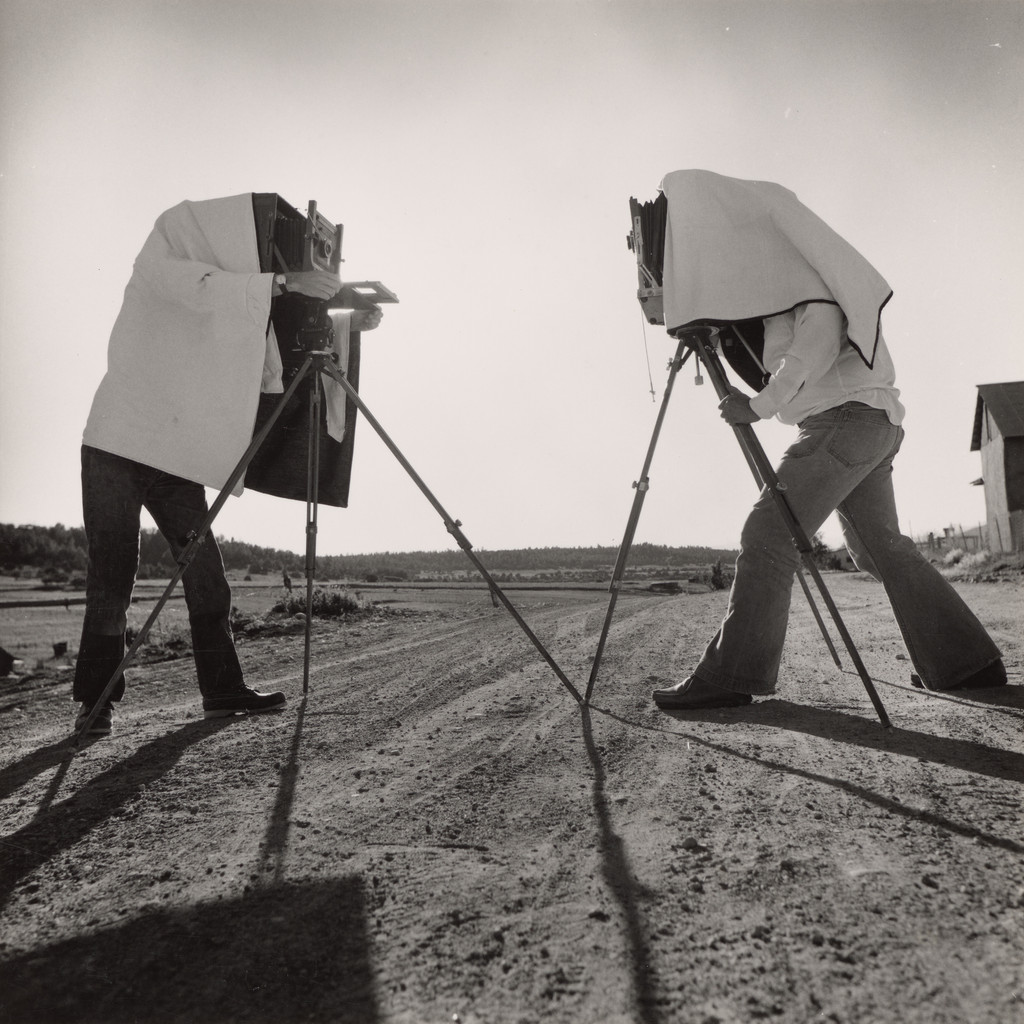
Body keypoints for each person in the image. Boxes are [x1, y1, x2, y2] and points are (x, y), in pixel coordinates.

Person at [647, 170, 1004, 711]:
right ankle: (968, 665)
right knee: (877, 547)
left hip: (846, 423)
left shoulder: (813, 288)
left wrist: (758, 407)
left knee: (768, 532)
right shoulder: (785, 295)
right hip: (862, 426)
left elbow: (808, 356)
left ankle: (733, 674)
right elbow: (776, 360)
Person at [73, 193, 381, 735]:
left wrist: (347, 321)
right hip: (117, 445)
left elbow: (265, 336)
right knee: (112, 580)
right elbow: (216, 292)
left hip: (174, 450)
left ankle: (221, 691)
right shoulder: (161, 266)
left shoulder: (228, 289)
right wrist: (286, 284)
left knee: (208, 575)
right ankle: (95, 707)